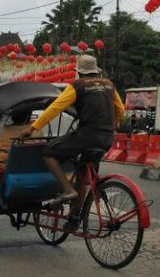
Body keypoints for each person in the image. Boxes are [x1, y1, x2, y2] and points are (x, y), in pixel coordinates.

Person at [19, 54, 124, 230]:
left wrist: (32, 128)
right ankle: (74, 218)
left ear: (79, 72)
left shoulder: (77, 86)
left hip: (87, 135)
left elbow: (56, 107)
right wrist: (113, 124)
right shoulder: (108, 84)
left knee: (49, 153)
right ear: (95, 71)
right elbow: (120, 109)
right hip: (107, 137)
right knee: (83, 174)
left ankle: (68, 190)